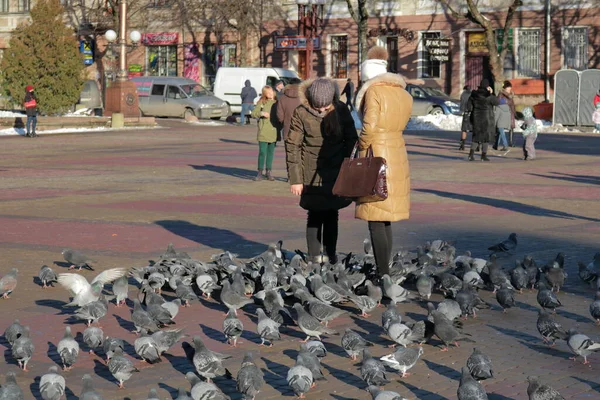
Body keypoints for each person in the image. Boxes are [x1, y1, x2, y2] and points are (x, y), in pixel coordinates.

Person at [353, 46, 413, 278]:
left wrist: (362, 145)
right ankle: (384, 268)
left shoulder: (374, 92)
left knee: (375, 216)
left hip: (377, 152)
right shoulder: (403, 93)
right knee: (386, 217)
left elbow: (370, 125)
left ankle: (382, 273)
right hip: (397, 150)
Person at [285, 78, 357, 264]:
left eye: (326, 106)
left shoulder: (341, 109)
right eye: (318, 107)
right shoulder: (301, 112)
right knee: (315, 213)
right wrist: (295, 179)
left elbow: (351, 139)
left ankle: (331, 255)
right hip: (310, 172)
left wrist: (349, 167)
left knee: (332, 214)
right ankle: (314, 257)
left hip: (336, 171)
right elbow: (293, 146)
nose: (322, 110)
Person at [467, 79, 499, 161]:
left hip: (476, 118)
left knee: (476, 137)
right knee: (486, 137)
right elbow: (497, 102)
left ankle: (471, 154)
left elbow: (469, 107)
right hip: (487, 119)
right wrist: (492, 93)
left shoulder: (473, 95)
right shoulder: (488, 96)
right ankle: (483, 155)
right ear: (488, 87)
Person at [251, 86, 277, 181]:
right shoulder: (262, 102)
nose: (270, 94)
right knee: (262, 152)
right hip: (263, 131)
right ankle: (259, 172)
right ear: (264, 94)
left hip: (274, 131)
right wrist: (262, 113)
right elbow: (253, 113)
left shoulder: (277, 103)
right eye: (268, 93)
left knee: (271, 153)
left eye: (271, 92)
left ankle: (268, 171)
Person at [498, 80, 516, 147]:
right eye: (509, 87)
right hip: (504, 112)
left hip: (511, 112)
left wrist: (514, 112)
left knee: (511, 127)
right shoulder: (501, 94)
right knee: (501, 128)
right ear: (505, 88)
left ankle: (510, 142)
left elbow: (512, 104)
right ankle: (498, 143)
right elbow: (499, 102)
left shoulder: (510, 95)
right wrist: (506, 102)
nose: (510, 89)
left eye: (510, 87)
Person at [458, 85, 472, 150]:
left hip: (466, 113)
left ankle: (462, 144)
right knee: (474, 129)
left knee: (464, 129)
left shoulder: (463, 95)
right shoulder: (472, 94)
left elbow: (461, 104)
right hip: (472, 113)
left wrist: (462, 110)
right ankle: (476, 145)